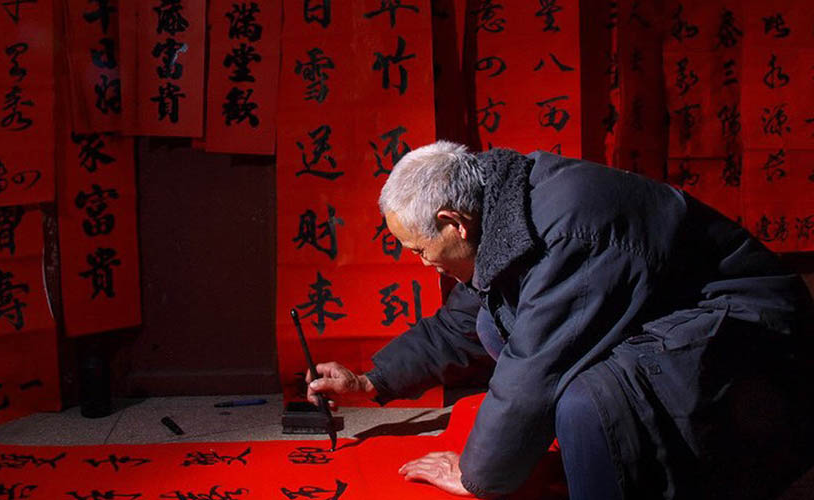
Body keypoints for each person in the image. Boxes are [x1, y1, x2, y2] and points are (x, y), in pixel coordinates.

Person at [305, 142, 814, 499]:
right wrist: (372, 380)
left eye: (420, 250)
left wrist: (477, 474)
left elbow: (533, 371)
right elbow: (461, 321)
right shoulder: (499, 208)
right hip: (675, 312)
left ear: (452, 222)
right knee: (491, 324)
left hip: (750, 331)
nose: (422, 263)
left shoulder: (567, 233)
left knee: (585, 402)